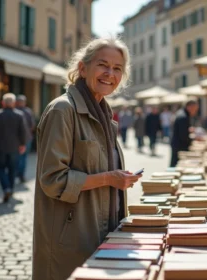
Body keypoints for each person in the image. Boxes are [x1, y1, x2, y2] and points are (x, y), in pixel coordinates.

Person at [32, 37, 142, 280]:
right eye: (103, 65)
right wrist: (108, 178)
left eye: (117, 69)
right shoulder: (63, 110)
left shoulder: (103, 114)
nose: (109, 73)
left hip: (100, 233)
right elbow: (52, 180)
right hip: (71, 239)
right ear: (83, 68)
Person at [0, 93, 27, 203]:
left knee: (0, 168)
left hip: (0, 146)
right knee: (12, 169)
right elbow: (23, 132)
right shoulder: (19, 115)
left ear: (3, 103)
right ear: (13, 103)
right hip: (14, 147)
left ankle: (6, 188)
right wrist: (23, 144)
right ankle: (10, 188)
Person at [170, 100, 199, 167]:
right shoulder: (183, 116)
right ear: (189, 107)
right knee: (176, 165)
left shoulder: (183, 114)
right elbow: (183, 135)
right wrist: (194, 139)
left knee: (175, 164)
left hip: (178, 144)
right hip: (179, 145)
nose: (195, 111)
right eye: (195, 109)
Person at [15, 95, 35, 182]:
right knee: (23, 157)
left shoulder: (14, 111)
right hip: (27, 138)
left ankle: (16, 173)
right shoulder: (28, 111)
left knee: (17, 157)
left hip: (16, 138)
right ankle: (21, 175)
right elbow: (32, 126)